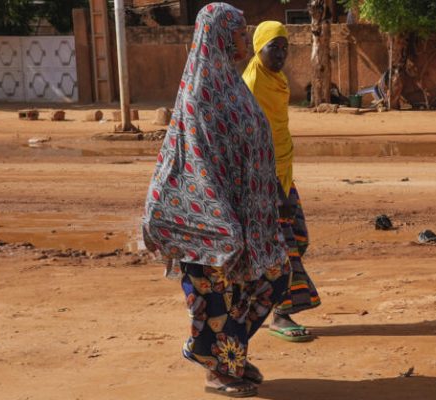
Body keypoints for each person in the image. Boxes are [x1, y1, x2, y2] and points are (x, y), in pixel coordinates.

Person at [142, 3, 288, 397]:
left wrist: (273, 191)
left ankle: (228, 356)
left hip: (249, 218)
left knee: (272, 279)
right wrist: (224, 223)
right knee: (219, 299)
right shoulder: (199, 95)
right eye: (240, 34)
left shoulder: (231, 82)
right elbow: (197, 166)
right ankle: (218, 370)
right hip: (208, 224)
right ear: (220, 36)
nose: (245, 40)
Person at [242, 21, 321, 343]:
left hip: (283, 175)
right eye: (274, 47)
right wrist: (265, 179)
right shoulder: (250, 85)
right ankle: (280, 314)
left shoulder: (278, 81)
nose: (280, 54)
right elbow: (249, 138)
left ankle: (254, 304)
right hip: (263, 180)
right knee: (283, 247)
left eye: (285, 48)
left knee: (298, 238)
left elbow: (278, 130)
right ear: (258, 47)